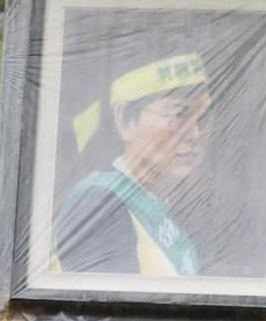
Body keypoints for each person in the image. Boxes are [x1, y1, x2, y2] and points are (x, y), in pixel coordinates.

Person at [54, 51, 212, 276]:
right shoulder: (99, 203)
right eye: (179, 114)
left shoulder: (159, 202)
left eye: (203, 117)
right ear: (125, 120)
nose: (194, 134)